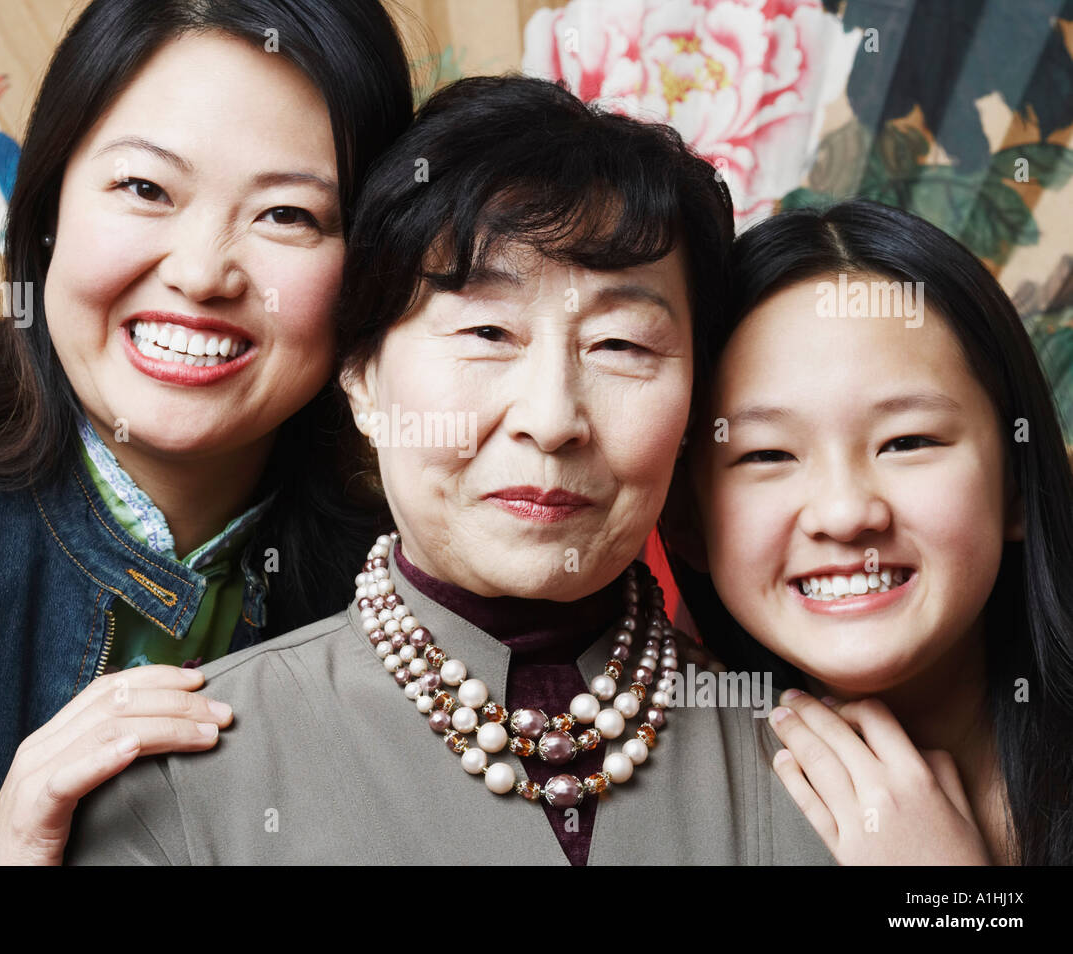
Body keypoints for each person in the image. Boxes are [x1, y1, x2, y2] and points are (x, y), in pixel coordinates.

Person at [64, 75, 834, 865]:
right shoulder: (183, 778)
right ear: (361, 377)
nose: (552, 418)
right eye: (488, 332)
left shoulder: (831, 777)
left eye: (621, 346)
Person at [0, 0, 412, 865]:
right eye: (145, 189)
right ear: (45, 206)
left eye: (288, 216)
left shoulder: (397, 600)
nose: (200, 273)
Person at [665, 200, 1073, 865]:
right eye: (768, 454)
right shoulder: (664, 804)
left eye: (907, 441)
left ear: (1018, 483)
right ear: (687, 522)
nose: (846, 512)